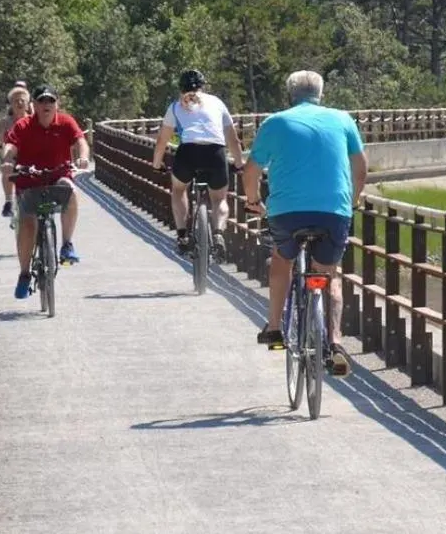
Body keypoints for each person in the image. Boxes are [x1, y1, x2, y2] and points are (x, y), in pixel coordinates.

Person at [241, 70, 366, 377]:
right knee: (329, 275)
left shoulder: (274, 123)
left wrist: (253, 200)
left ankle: (274, 328)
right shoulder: (342, 119)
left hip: (286, 213)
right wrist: (352, 200)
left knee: (281, 260)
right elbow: (361, 168)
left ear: (290, 94)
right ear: (321, 94)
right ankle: (335, 343)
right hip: (333, 212)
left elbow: (251, 170)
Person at [0, 85, 90, 299]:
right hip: (28, 181)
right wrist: (7, 160)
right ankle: (24, 274)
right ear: (35, 105)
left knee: (70, 190)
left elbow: (81, 142)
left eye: (50, 101)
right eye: (42, 101)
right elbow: (11, 145)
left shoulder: (66, 122)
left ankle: (67, 245)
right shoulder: (23, 125)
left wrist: (83, 157)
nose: (46, 105)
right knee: (28, 225)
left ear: (56, 104)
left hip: (57, 176)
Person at [150, 69, 244, 255]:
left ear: (180, 88)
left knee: (178, 190)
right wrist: (239, 162)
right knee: (219, 198)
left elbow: (162, 140)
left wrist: (156, 163)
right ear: (203, 86)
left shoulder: (175, 107)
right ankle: (218, 233)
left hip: (188, 154)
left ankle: (182, 234)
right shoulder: (217, 103)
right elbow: (232, 139)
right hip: (215, 153)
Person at [0, 84, 33, 219]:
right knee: (7, 169)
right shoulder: (3, 123)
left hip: (32, 157)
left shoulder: (34, 121)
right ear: (11, 104)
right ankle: (9, 201)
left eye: (22, 100)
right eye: (16, 101)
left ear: (28, 104)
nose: (20, 103)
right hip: (11, 158)